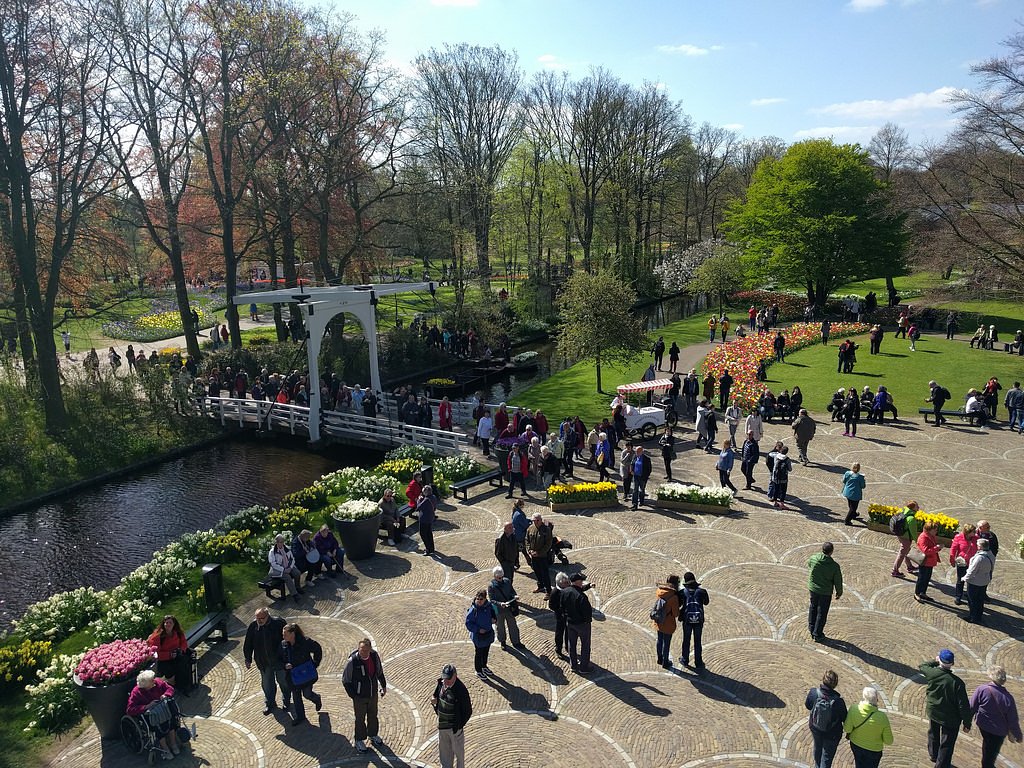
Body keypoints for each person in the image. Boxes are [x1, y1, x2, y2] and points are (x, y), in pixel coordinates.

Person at [919, 650, 972, 768]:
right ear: (952, 663)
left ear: (940, 660)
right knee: (947, 743)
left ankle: (933, 754)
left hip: (934, 711)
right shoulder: (957, 683)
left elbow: (922, 666)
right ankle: (941, 765)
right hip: (950, 718)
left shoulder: (932, 673)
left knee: (933, 733)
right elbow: (963, 705)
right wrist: (967, 723)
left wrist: (935, 661)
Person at [970, 665, 1023, 768]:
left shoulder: (982, 689)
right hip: (998, 732)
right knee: (990, 756)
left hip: (984, 726)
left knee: (987, 747)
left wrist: (967, 722)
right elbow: (1013, 720)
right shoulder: (1008, 698)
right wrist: (1018, 736)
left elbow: (972, 706)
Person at [342, 638, 387, 753]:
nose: (363, 652)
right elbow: (346, 680)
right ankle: (359, 740)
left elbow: (379, 672)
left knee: (373, 715)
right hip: (359, 697)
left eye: (366, 650)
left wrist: (383, 686)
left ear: (370, 649)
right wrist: (354, 696)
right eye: (361, 650)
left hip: (373, 694)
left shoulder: (374, 656)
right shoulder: (353, 661)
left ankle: (373, 735)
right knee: (360, 719)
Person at [125, 669, 182, 757]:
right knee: (158, 728)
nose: (154, 682)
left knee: (172, 721)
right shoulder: (136, 693)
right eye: (151, 681)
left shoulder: (157, 682)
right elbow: (130, 709)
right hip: (151, 715)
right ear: (145, 685)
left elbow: (169, 688)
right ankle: (165, 748)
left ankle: (173, 743)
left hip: (164, 709)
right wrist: (146, 706)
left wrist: (166, 695)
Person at [244, 608, 288, 715]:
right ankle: (270, 703)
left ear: (268, 616)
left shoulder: (278, 623)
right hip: (263, 661)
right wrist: (248, 658)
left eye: (262, 618)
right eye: (257, 618)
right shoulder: (253, 626)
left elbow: (287, 639)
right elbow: (248, 643)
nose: (259, 621)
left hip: (279, 660)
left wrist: (287, 656)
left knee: (283, 681)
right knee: (267, 684)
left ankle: (286, 700)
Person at [279, 623, 323, 727]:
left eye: (285, 634)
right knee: (296, 697)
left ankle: (316, 698)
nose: (283, 636)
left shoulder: (305, 642)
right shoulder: (283, 645)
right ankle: (300, 716)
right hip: (292, 676)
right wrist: (285, 665)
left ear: (292, 634)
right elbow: (279, 659)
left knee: (307, 694)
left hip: (305, 675)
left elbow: (317, 649)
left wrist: (315, 663)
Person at [804, 669, 848, 768]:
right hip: (832, 734)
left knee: (817, 749)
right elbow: (844, 718)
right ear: (835, 684)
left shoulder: (814, 693)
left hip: (816, 728)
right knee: (827, 757)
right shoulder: (839, 701)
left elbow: (808, 705)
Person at [432, 664, 472, 768]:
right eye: (444, 678)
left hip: (455, 730)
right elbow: (436, 695)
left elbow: (467, 711)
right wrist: (434, 702)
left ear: (455, 676)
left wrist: (458, 725)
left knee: (459, 754)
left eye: (448, 679)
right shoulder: (441, 683)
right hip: (442, 727)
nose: (445, 681)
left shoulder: (461, 690)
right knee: (444, 754)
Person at [843, 686, 894, 768]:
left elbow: (847, 729)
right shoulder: (882, 717)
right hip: (874, 750)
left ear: (864, 697)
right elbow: (889, 741)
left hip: (856, 745)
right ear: (876, 699)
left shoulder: (854, 709)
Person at [807, 542, 842, 642]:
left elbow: (809, 564)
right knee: (822, 612)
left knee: (813, 607)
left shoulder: (814, 558)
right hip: (825, 592)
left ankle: (811, 628)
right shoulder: (834, 566)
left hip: (813, 589)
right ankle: (817, 634)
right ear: (831, 551)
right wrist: (839, 592)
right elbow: (838, 581)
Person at [147, 615, 191, 695]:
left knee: (183, 662)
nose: (168, 624)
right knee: (170, 669)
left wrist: (181, 650)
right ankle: (174, 685)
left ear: (174, 624)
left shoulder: (178, 632)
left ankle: (184, 685)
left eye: (170, 623)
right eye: (166, 623)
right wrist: (169, 655)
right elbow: (155, 653)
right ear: (163, 624)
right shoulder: (158, 636)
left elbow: (184, 642)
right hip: (163, 660)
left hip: (177, 655)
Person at [563, 572, 593, 674]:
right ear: (577, 582)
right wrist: (587, 622)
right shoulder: (581, 597)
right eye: (581, 581)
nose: (582, 582)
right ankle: (584, 667)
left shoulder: (565, 592)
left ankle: (573, 665)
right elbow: (587, 613)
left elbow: (561, 607)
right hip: (582, 624)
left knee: (571, 644)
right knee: (585, 645)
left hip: (570, 623)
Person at [488, 566, 524, 651]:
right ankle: (503, 642)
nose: (500, 579)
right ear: (494, 576)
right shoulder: (491, 586)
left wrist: (514, 595)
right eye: (498, 578)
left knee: (513, 626)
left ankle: (516, 642)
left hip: (508, 608)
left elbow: (512, 591)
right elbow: (492, 600)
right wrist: (500, 604)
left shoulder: (507, 581)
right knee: (500, 627)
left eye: (501, 577)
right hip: (499, 610)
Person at [678, 571, 709, 669]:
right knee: (697, 641)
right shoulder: (702, 592)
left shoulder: (682, 592)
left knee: (686, 640)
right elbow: (706, 602)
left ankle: (685, 659)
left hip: (687, 620)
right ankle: (698, 662)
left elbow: (678, 604)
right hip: (699, 620)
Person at [962, 538, 996, 625]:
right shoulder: (991, 555)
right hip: (984, 581)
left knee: (972, 600)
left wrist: (965, 578)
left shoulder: (979, 558)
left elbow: (972, 570)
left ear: (980, 547)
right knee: (980, 600)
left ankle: (973, 617)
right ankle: (978, 616)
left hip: (975, 582)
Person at [464, 590, 496, 680]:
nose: (479, 601)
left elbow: (494, 613)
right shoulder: (473, 610)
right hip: (478, 636)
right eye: (477, 599)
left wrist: (494, 619)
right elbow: (468, 623)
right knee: (479, 653)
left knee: (486, 652)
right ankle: (478, 670)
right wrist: (478, 630)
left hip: (488, 634)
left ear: (485, 599)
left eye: (481, 599)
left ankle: (484, 666)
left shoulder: (489, 606)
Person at [652, 574, 681, 668]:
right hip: (668, 623)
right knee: (666, 643)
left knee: (659, 640)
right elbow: (676, 614)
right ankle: (665, 662)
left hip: (659, 620)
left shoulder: (659, 591)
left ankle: (659, 659)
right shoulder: (674, 597)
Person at [948, 523, 977, 606]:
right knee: (960, 580)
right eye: (973, 532)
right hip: (962, 563)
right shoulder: (958, 537)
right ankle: (958, 596)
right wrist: (952, 560)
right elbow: (953, 549)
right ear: (968, 532)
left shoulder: (976, 538)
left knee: (971, 581)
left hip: (973, 563)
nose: (975, 533)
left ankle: (970, 597)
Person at [891, 501, 922, 577]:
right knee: (902, 553)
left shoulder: (904, 512)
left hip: (900, 535)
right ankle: (895, 571)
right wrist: (918, 541)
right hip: (906, 537)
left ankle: (909, 566)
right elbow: (913, 532)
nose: (918, 507)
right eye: (917, 506)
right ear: (912, 508)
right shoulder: (911, 518)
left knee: (906, 551)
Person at [914, 520, 943, 603]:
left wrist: (938, 548)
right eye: (935, 530)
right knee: (922, 578)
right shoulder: (923, 537)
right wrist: (937, 547)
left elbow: (932, 546)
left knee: (927, 578)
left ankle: (923, 592)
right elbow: (925, 550)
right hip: (925, 561)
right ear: (929, 530)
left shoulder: (931, 536)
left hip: (930, 561)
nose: (936, 531)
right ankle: (917, 593)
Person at [268, 534, 303, 602]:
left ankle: (297, 587)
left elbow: (292, 559)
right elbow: (273, 564)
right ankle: (295, 594)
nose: (282, 543)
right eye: (280, 542)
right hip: (278, 570)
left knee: (297, 573)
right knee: (287, 577)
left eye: (282, 542)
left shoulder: (287, 548)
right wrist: (283, 570)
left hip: (288, 566)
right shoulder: (272, 552)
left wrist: (290, 567)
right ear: (276, 542)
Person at [526, 513, 553, 595]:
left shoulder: (546, 530)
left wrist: (539, 553)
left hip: (543, 556)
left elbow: (548, 544)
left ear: (541, 520)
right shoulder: (530, 528)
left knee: (545, 574)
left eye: (537, 520)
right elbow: (527, 540)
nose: (536, 522)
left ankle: (548, 591)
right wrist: (529, 550)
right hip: (534, 556)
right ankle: (540, 586)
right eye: (534, 521)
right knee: (537, 572)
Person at [493, 522, 520, 587]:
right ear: (505, 529)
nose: (512, 529)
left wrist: (516, 560)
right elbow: (498, 553)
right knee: (507, 579)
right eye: (510, 528)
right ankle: (506, 590)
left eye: (512, 527)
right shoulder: (500, 539)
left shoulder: (513, 536)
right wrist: (504, 563)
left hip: (512, 562)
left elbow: (516, 549)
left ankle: (509, 589)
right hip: (506, 563)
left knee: (511, 578)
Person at [768, 444, 793, 509]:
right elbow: (790, 469)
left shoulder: (776, 456)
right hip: (783, 478)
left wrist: (776, 451)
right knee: (783, 491)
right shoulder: (787, 459)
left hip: (775, 477)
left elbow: (770, 454)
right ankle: (782, 504)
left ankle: (775, 503)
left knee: (776, 490)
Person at [417, 485, 438, 557]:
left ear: (426, 492)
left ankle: (428, 549)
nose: (423, 493)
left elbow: (418, 507)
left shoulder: (426, 500)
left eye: (423, 492)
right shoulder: (433, 497)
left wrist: (419, 500)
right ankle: (431, 548)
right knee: (429, 533)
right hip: (430, 518)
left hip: (424, 519)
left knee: (423, 534)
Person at [630, 445, 653, 509]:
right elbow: (632, 464)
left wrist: (646, 476)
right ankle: (634, 504)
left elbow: (649, 469)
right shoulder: (635, 456)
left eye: (638, 451)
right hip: (636, 476)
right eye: (636, 451)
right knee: (635, 490)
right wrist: (631, 470)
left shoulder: (646, 459)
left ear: (642, 451)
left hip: (642, 477)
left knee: (641, 489)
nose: (636, 452)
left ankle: (641, 500)